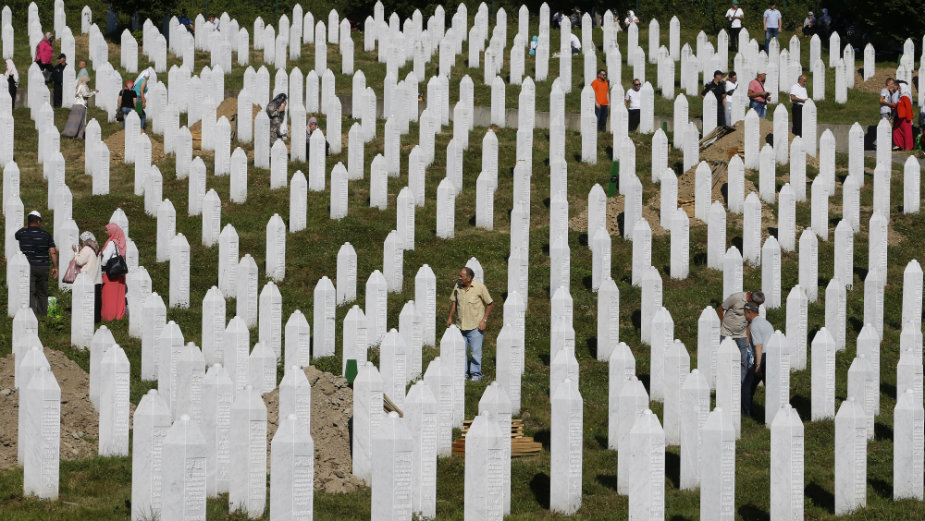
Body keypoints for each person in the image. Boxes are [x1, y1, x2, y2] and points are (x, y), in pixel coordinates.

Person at [446, 267, 494, 381]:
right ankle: (462, 375)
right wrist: (449, 317)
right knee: (460, 352)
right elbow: (454, 302)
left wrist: (484, 320)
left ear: (469, 278)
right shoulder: (457, 286)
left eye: (461, 276)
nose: (459, 278)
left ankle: (476, 375)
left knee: (475, 353)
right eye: (459, 275)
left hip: (475, 327)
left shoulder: (480, 288)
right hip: (460, 326)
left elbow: (490, 303)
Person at [15, 211, 58, 318]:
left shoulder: (22, 234)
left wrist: (27, 226)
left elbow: (16, 234)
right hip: (43, 266)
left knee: (30, 291)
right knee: (42, 292)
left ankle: (32, 315)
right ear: (38, 221)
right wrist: (55, 266)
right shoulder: (46, 235)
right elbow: (53, 252)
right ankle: (42, 315)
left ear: (29, 222)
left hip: (28, 266)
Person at [716, 290, 765, 383]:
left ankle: (741, 384)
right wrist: (721, 323)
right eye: (757, 304)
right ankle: (724, 382)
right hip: (727, 333)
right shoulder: (736, 298)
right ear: (750, 298)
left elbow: (750, 320)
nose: (757, 306)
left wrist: (747, 336)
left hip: (741, 335)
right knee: (724, 359)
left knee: (743, 360)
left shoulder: (753, 305)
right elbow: (721, 309)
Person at [742, 302, 774, 418]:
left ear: (749, 312)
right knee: (770, 386)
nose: (744, 315)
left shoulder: (754, 325)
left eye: (745, 313)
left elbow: (758, 346)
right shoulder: (766, 323)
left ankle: (746, 413)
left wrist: (758, 365)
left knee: (747, 385)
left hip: (763, 356)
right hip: (772, 356)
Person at [73, 231, 102, 323]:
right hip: (97, 278)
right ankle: (97, 318)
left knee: (88, 301)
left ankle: (88, 319)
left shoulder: (87, 249)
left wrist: (76, 252)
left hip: (88, 278)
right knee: (96, 301)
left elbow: (79, 261)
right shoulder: (97, 249)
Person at [100, 223, 127, 321]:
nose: (106, 232)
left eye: (107, 230)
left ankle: (109, 316)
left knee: (108, 295)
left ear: (113, 231)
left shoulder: (111, 243)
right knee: (118, 296)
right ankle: (118, 315)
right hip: (119, 273)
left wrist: (101, 267)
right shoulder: (121, 242)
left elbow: (106, 258)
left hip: (111, 273)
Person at [893, 81, 914, 151]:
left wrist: (909, 118)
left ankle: (908, 147)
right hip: (901, 118)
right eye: (898, 88)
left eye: (899, 88)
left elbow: (908, 108)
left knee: (907, 133)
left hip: (905, 118)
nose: (898, 90)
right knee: (897, 130)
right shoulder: (901, 96)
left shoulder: (905, 97)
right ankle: (900, 145)